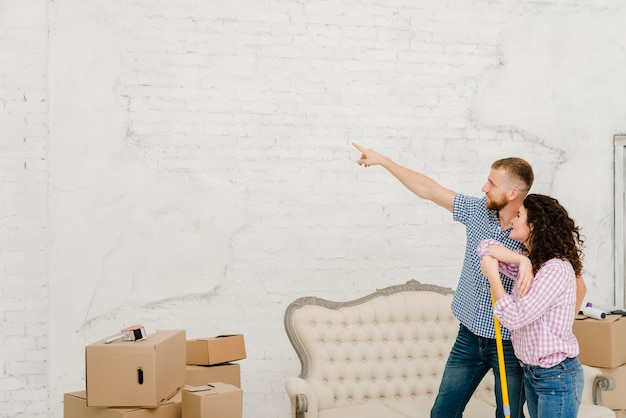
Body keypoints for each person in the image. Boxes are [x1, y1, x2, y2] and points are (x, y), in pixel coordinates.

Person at [352, 142, 533, 418]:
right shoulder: (478, 211)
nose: (484, 187)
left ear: (513, 193)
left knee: (509, 416)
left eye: (492, 183)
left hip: (509, 342)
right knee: (442, 413)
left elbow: (570, 278)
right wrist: (385, 161)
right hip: (470, 336)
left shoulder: (533, 231)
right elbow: (430, 190)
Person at [478, 193, 585, 418]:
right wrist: (522, 260)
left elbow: (515, 317)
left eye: (519, 215)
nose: (513, 221)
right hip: (533, 373)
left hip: (555, 376)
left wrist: (494, 279)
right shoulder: (532, 263)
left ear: (533, 225)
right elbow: (485, 247)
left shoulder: (555, 269)